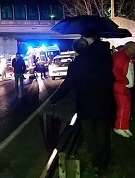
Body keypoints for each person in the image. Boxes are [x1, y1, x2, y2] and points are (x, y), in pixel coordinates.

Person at [50, 31, 115, 176]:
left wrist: (55, 98)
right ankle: (103, 162)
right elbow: (110, 77)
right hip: (105, 101)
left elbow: (68, 84)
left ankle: (97, 161)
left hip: (86, 103)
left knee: (90, 133)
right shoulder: (104, 58)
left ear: (76, 50)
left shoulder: (77, 64)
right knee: (103, 132)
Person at [112, 41, 135, 138]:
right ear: (128, 48)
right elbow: (115, 71)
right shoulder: (120, 57)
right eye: (134, 49)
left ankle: (124, 126)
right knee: (123, 106)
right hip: (120, 85)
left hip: (123, 85)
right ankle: (119, 127)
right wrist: (124, 80)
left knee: (126, 106)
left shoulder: (125, 56)